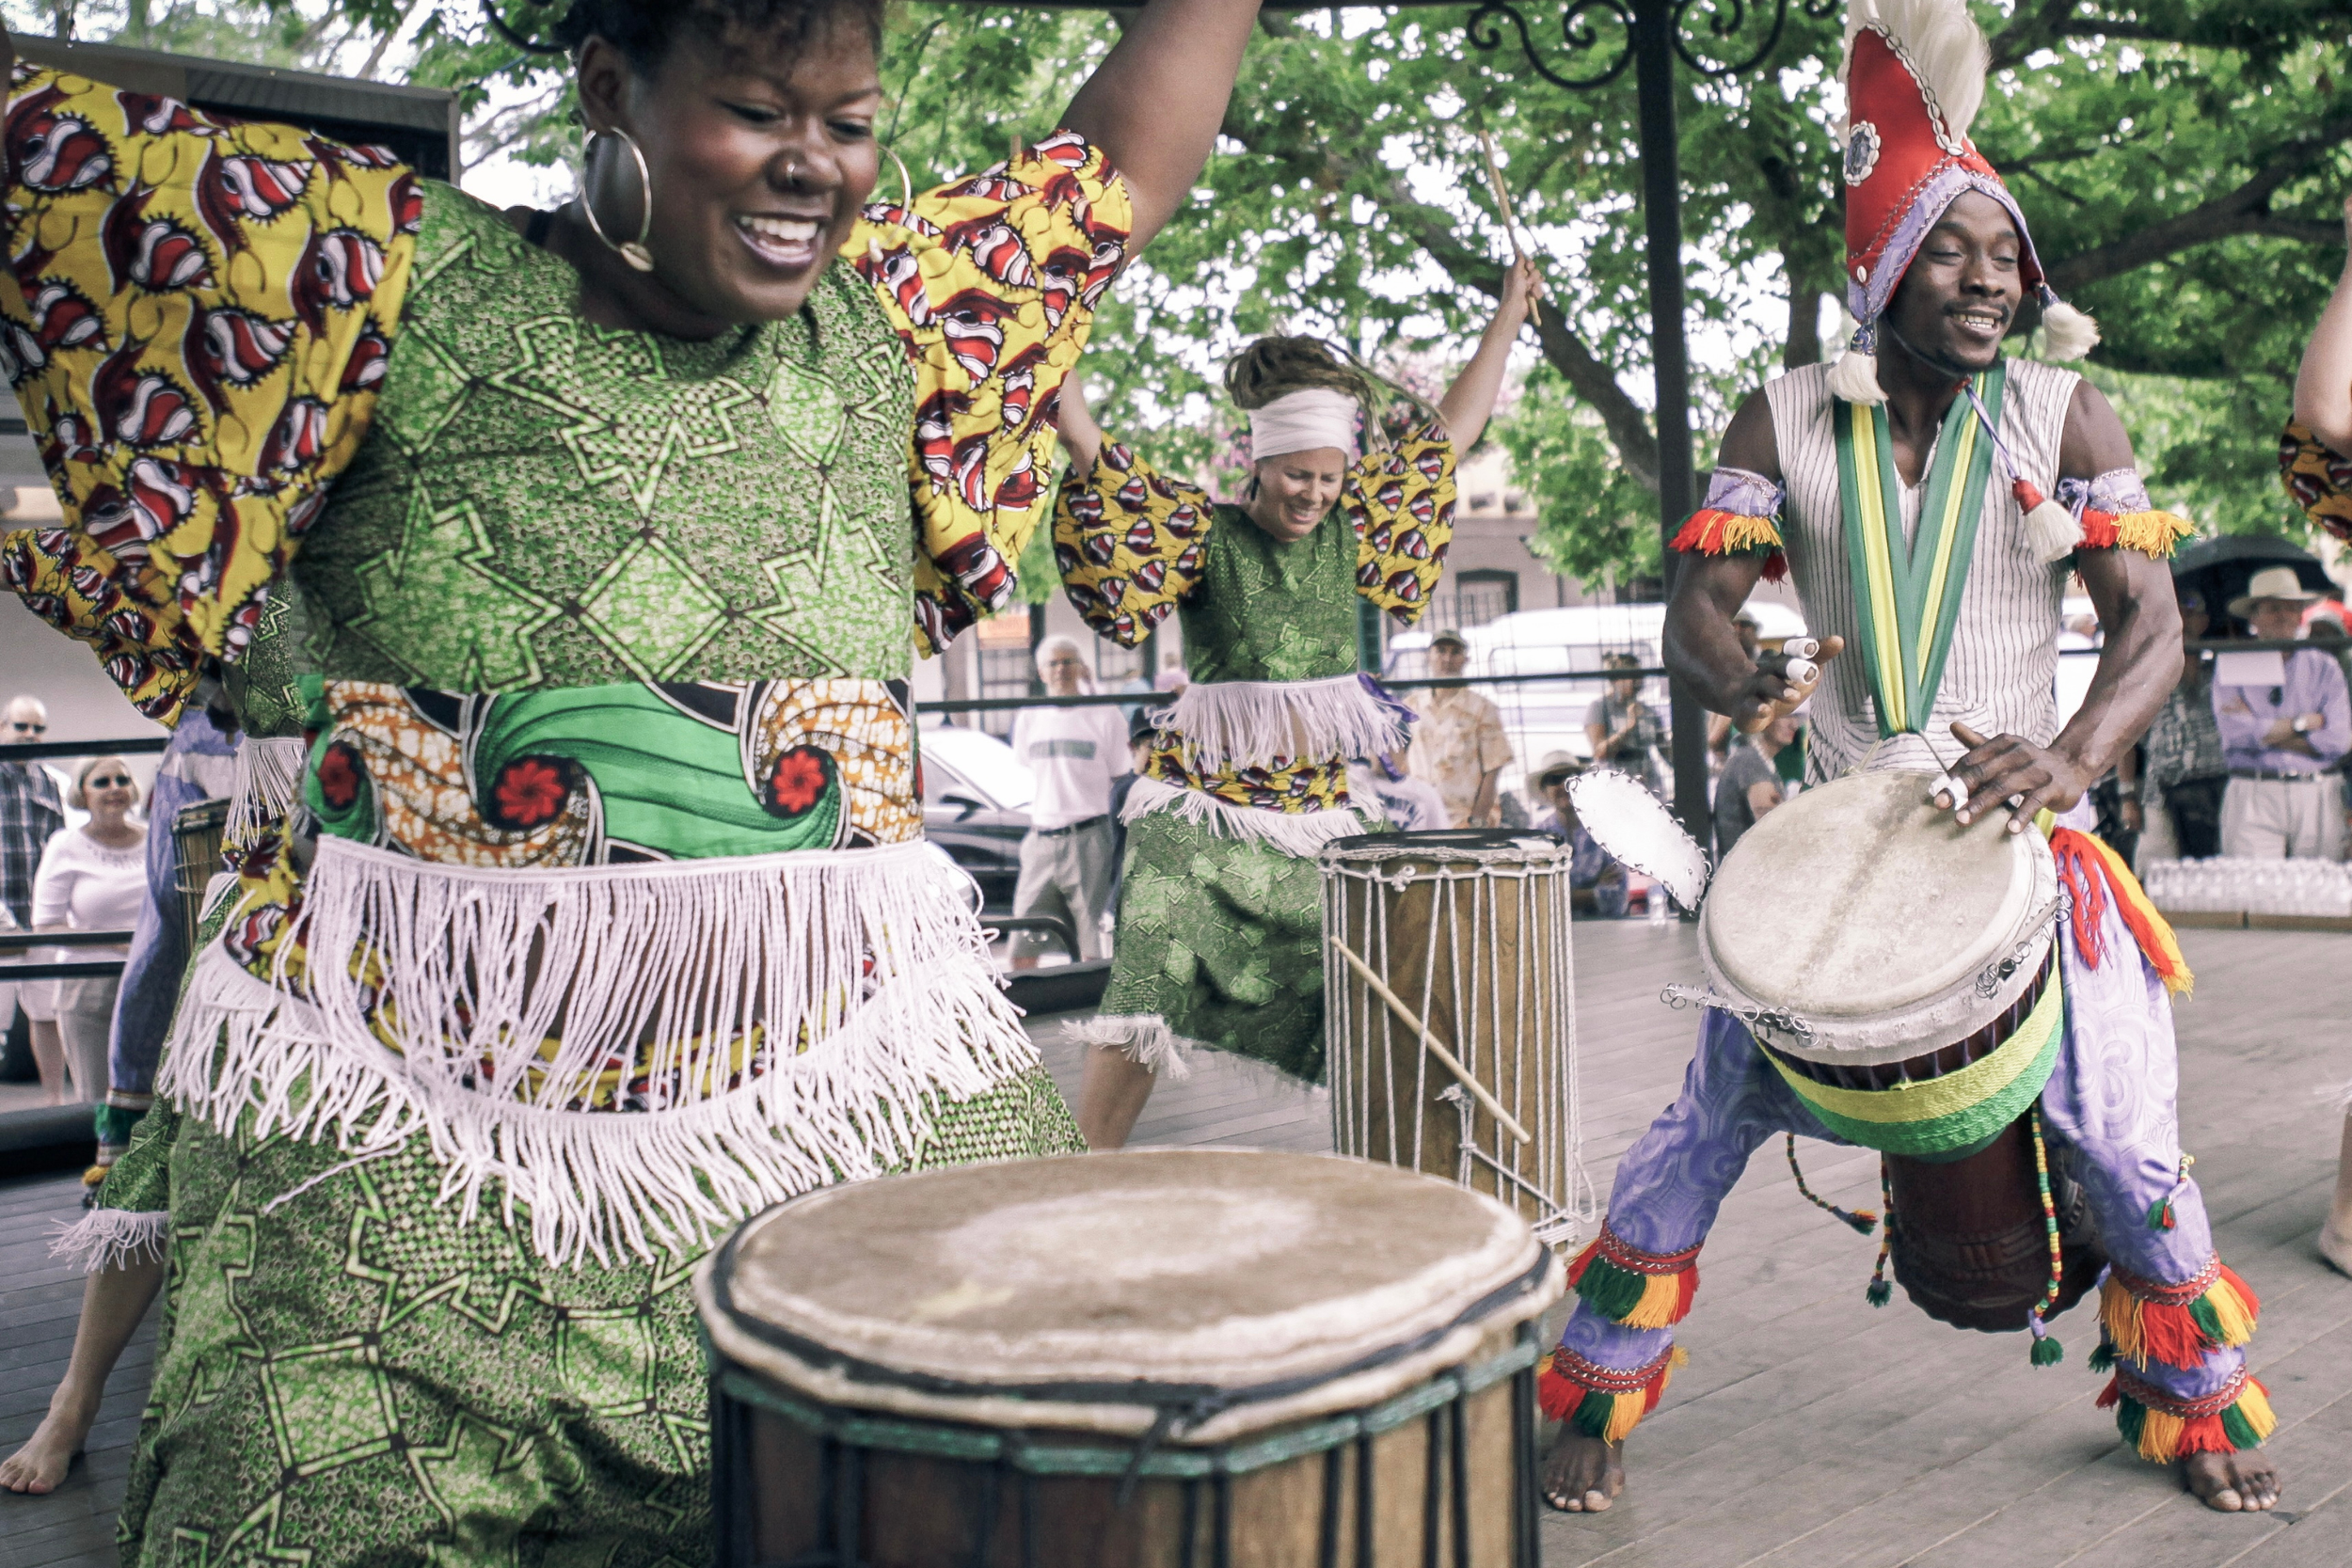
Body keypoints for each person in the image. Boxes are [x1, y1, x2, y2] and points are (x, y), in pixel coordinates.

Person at [0, 1, 1265, 1552]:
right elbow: (44, 150)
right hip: (414, 1156)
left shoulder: (897, 330)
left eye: (849, 124)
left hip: (858, 1105)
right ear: (609, 86)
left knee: (1079, 1457)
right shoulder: (362, 270)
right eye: (759, 111)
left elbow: (1119, 165)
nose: (813, 164)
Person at [1543, 0, 2279, 1519]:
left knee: (2124, 1141)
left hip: (2030, 855)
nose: (1994, 278)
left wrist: (2068, 758)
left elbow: (2152, 628)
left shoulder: (2067, 414)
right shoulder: (1784, 415)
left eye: (2010, 255)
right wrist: (1736, 665)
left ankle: (2193, 1398)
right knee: (1695, 1136)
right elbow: (1697, 610)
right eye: (1956, 251)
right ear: (1881, 266)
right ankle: (1595, 1394)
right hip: (1835, 856)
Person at [1049, 261, 1543, 1149]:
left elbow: (1449, 437)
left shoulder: (1356, 529)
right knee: (1144, 987)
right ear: (1260, 461)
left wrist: (1508, 315)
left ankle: (1429, 1168)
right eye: (1295, 476)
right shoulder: (1203, 533)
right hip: (1200, 820)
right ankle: (1080, 1167)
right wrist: (1062, 306)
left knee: (1396, 983)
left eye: (1328, 477)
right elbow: (1087, 444)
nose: (1313, 493)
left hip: (1320, 818)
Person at [29, 757, 146, 1105]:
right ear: (83, 792)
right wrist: (119, 944)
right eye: (102, 782)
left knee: (155, 1101)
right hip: (89, 991)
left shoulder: (155, 838)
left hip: (151, 981)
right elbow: (45, 925)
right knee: (98, 1104)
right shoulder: (65, 845)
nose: (114, 788)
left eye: (122, 780)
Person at [2212, 566, 2348, 861]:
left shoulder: (2324, 666)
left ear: (2300, 614)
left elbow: (2338, 741)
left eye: (2291, 607)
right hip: (2254, 789)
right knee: (2254, 884)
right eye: (2273, 608)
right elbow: (2235, 734)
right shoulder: (2233, 663)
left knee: (2318, 886)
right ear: (2254, 618)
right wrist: (2303, 724)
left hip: (2317, 791)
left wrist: (2262, 730)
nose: (2283, 615)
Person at [1009, 636, 1129, 965]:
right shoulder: (1030, 716)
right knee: (1022, 946)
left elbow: (1121, 774)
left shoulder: (1105, 715)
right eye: (1053, 663)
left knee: (1093, 949)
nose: (1061, 669)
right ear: (1041, 672)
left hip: (1089, 839)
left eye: (1067, 661)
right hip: (1040, 840)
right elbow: (1025, 766)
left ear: (1081, 667)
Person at [2122, 585, 2230, 860]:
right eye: (2175, 613)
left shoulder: (2221, 672)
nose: (2183, 621)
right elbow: (2126, 739)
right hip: (2161, 791)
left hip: (2220, 789)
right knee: (2158, 870)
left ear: (2203, 621)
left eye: (2190, 614)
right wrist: (2127, 797)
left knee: (2219, 870)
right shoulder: (2145, 675)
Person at [1, 696, 66, 1096]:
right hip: (0, 918)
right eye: (21, 726)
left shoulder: (51, 782)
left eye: (38, 728)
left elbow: (60, 851)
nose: (30, 734)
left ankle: (55, 1103)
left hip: (38, 918)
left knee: (48, 1014)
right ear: (1, 728)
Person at [1409, 628, 1513, 827]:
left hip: (1462, 819)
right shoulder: (1411, 706)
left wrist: (1477, 821)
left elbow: (1493, 769)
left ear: (1466, 659)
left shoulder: (1482, 709)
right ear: (1428, 656)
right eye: (1441, 651)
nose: (1447, 659)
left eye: (1455, 652)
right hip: (1419, 818)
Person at [1526, 751, 1628, 916]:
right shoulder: (1536, 838)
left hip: (1607, 928)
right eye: (1554, 780)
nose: (1564, 785)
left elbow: (1617, 896)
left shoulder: (1607, 830)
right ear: (1544, 791)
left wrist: (1561, 894)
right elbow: (1536, 899)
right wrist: (1594, 887)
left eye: (1571, 777)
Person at [1711, 711, 1796, 859]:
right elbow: (1773, 832)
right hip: (1746, 868)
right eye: (1785, 715)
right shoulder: (1750, 761)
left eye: (1796, 717)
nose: (1793, 725)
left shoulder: (1760, 760)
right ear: (1762, 720)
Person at [1585, 652, 1668, 797]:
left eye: (1640, 676)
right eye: (1632, 676)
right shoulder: (1599, 707)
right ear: (1615, 680)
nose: (1638, 682)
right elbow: (1600, 752)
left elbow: (1665, 750)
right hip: (1616, 784)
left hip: (1647, 783)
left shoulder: (1647, 711)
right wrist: (1629, 727)